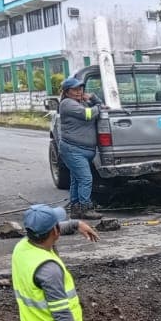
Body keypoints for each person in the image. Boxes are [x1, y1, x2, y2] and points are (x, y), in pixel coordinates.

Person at [55, 75, 103, 220]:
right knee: (86, 178)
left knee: (76, 179)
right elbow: (87, 114)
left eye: (80, 88)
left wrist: (94, 98)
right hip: (73, 149)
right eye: (74, 89)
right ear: (67, 91)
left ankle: (76, 208)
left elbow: (99, 106)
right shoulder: (67, 104)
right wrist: (98, 106)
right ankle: (85, 208)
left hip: (83, 149)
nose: (79, 91)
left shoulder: (81, 102)